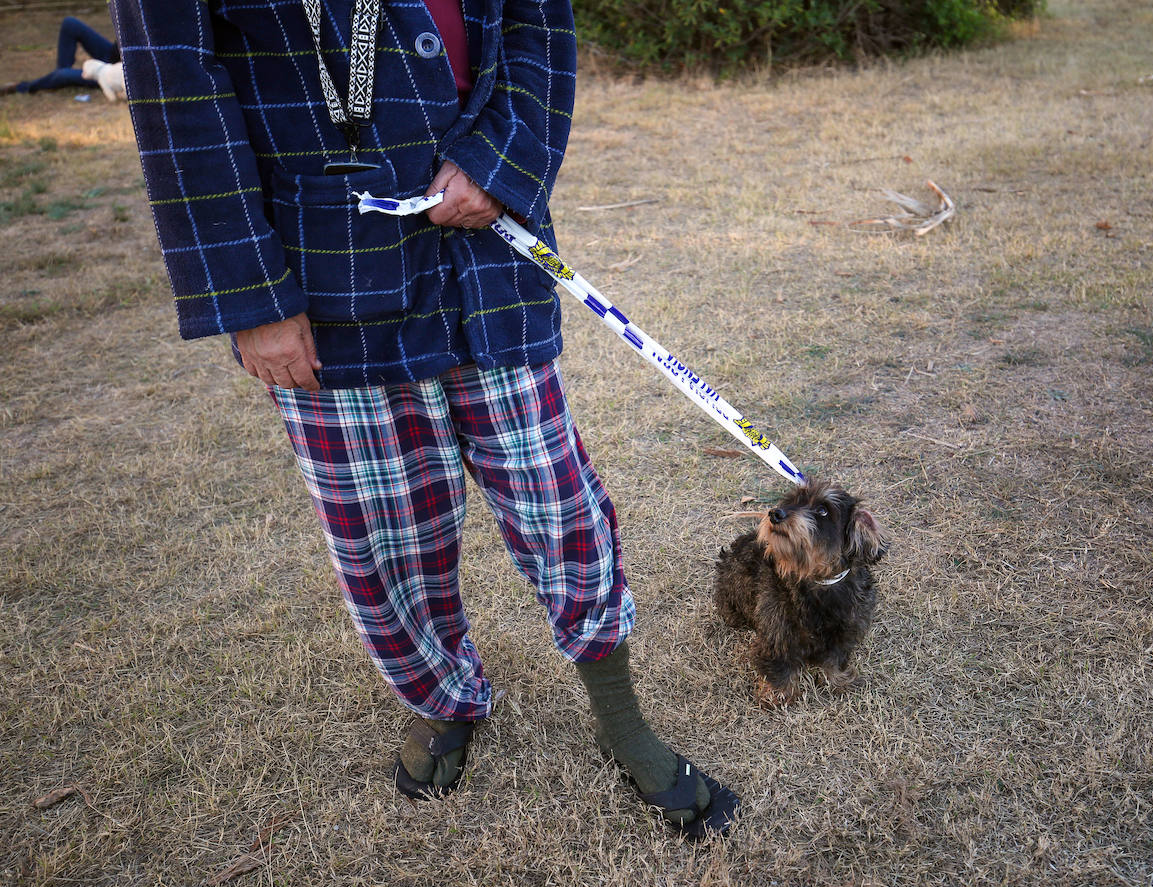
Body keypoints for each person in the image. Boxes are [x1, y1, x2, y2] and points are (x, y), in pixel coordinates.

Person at [109, 0, 737, 838]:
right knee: (383, 528)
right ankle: (443, 700)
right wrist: (250, 295)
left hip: (484, 246)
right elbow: (176, 88)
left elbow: (537, 27)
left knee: (558, 503)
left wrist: (499, 161)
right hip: (324, 267)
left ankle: (622, 720)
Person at [1, 16, 119, 96]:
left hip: (113, 72)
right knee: (70, 23)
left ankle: (21, 87)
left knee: (62, 75)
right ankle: (59, 77)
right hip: (112, 52)